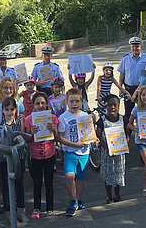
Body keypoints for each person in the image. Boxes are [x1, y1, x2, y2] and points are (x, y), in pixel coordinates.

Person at [58, 88, 98, 217]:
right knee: (69, 176)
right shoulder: (63, 118)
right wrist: (75, 145)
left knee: (80, 178)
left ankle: (79, 199)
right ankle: (72, 201)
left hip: (84, 152)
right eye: (71, 101)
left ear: (81, 102)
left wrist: (94, 139)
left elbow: (90, 133)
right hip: (70, 152)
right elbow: (60, 138)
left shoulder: (85, 116)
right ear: (67, 102)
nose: (74, 104)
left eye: (77, 101)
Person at [25, 92, 59, 219]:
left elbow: (57, 138)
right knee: (37, 183)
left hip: (49, 154)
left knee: (49, 182)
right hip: (35, 157)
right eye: (37, 103)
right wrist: (32, 133)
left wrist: (53, 129)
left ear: (46, 104)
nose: (40, 105)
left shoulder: (52, 118)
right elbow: (28, 140)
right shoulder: (29, 119)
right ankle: (36, 208)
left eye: (43, 103)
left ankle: (50, 208)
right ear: (33, 105)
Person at [0, 97, 28, 222]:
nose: (9, 112)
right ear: (3, 111)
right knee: (5, 184)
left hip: (17, 156)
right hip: (4, 158)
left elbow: (22, 137)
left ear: (15, 110)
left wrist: (21, 125)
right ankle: (8, 211)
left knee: (19, 183)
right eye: (7, 110)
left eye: (12, 109)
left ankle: (21, 210)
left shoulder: (19, 122)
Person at [95, 94, 129, 204]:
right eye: (110, 105)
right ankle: (109, 196)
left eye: (115, 105)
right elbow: (98, 136)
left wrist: (124, 145)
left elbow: (127, 134)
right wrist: (107, 148)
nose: (112, 107)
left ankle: (117, 194)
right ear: (105, 106)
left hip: (119, 153)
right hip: (107, 153)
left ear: (119, 105)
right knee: (108, 175)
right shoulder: (102, 120)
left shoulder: (123, 119)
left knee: (118, 173)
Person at [118, 37, 146, 121]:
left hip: (142, 90)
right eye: (133, 47)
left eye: (137, 46)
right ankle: (128, 133)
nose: (135, 49)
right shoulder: (125, 59)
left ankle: (142, 131)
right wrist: (120, 88)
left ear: (140, 47)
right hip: (128, 89)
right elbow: (122, 74)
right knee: (128, 112)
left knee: (143, 111)